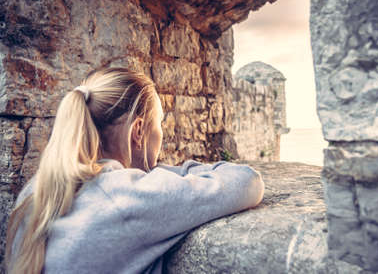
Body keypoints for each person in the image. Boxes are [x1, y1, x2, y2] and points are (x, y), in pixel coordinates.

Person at [5, 68, 265, 274]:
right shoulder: (130, 198)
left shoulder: (36, 190)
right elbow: (248, 182)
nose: (162, 134)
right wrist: (169, 171)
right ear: (138, 131)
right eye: (160, 124)